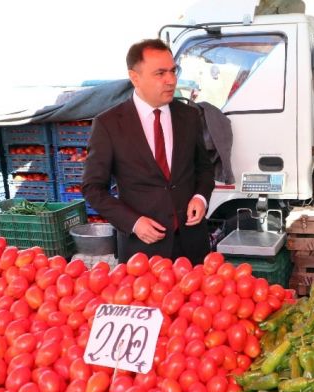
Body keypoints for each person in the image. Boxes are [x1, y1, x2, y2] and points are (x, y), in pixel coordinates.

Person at [82, 39, 215, 264]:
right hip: (142, 251)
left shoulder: (189, 116)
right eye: (160, 73)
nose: (171, 80)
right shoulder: (109, 124)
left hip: (193, 246)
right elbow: (93, 188)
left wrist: (201, 197)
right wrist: (133, 222)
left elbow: (204, 168)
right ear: (135, 77)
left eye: (173, 71)